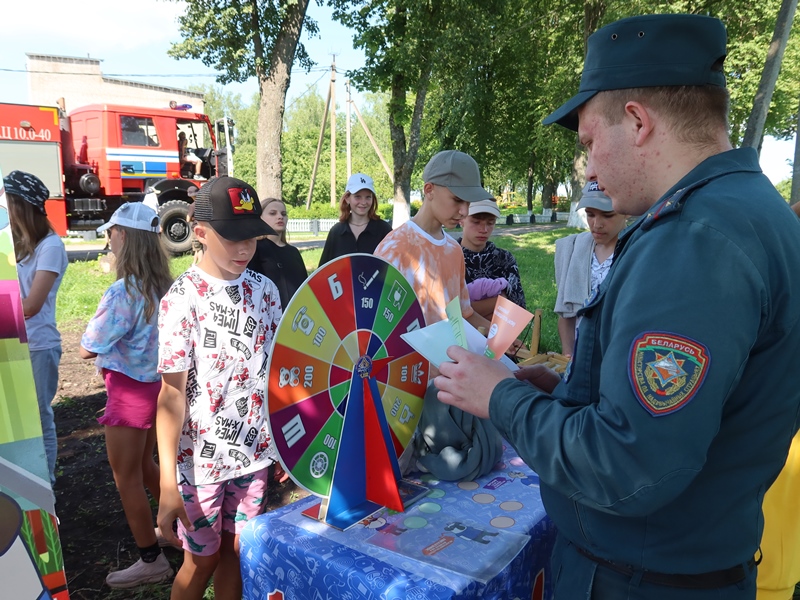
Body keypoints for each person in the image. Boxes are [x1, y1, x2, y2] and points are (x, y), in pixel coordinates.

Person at [432, 14, 800, 599]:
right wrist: (560, 391)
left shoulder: (693, 243)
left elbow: (627, 465)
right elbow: (699, 412)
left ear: (637, 122)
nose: (591, 169)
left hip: (641, 580)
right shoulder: (757, 214)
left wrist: (499, 396)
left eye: (588, 143)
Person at [156, 176, 282, 600]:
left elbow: (277, 372)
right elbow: (171, 396)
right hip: (201, 466)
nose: (245, 248)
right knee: (202, 560)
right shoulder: (181, 300)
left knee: (238, 553)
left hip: (254, 455)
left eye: (252, 236)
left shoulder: (264, 291)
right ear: (200, 233)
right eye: (233, 238)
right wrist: (168, 485)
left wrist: (281, 444)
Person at [375, 150, 501, 482]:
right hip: (401, 390)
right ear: (429, 190)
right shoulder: (394, 249)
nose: (463, 211)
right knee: (395, 478)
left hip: (446, 392)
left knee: (437, 484)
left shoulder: (453, 250)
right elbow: (374, 329)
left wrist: (496, 335)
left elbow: (461, 313)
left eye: (468, 202)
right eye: (457, 199)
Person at [79, 203, 174, 588]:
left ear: (123, 237)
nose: (108, 239)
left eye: (111, 233)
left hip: (128, 394)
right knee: (149, 466)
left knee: (126, 478)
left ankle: (151, 559)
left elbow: (89, 345)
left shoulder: (123, 291)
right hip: (158, 389)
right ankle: (178, 529)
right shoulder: (165, 287)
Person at [4, 170, 67, 486]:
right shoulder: (13, 244)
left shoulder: (51, 246)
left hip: (39, 346)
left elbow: (30, 306)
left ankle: (45, 486)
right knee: (14, 417)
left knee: (39, 418)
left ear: (19, 206)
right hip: (10, 342)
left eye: (7, 203)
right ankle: (22, 480)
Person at [554, 181, 627, 356]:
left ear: (626, 212)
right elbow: (566, 314)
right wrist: (568, 355)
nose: (596, 224)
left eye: (607, 215)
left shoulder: (636, 251)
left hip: (620, 354)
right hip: (580, 355)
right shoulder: (572, 248)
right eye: (590, 214)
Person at [458, 198, 526, 320]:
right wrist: (497, 302)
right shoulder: (449, 257)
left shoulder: (504, 259)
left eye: (490, 223)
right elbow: (446, 313)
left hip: (500, 336)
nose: (484, 230)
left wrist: (470, 309)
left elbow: (517, 311)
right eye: (476, 222)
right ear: (461, 220)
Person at [318, 172, 391, 267]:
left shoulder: (384, 230)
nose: (363, 202)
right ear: (347, 198)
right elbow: (322, 272)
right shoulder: (336, 232)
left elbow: (394, 269)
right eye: (357, 196)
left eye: (368, 197)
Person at [247, 197, 307, 310]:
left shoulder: (293, 252)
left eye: (283, 214)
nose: (280, 217)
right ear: (260, 218)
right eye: (272, 213)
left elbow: (304, 287)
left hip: (295, 317)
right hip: (266, 315)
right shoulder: (255, 249)